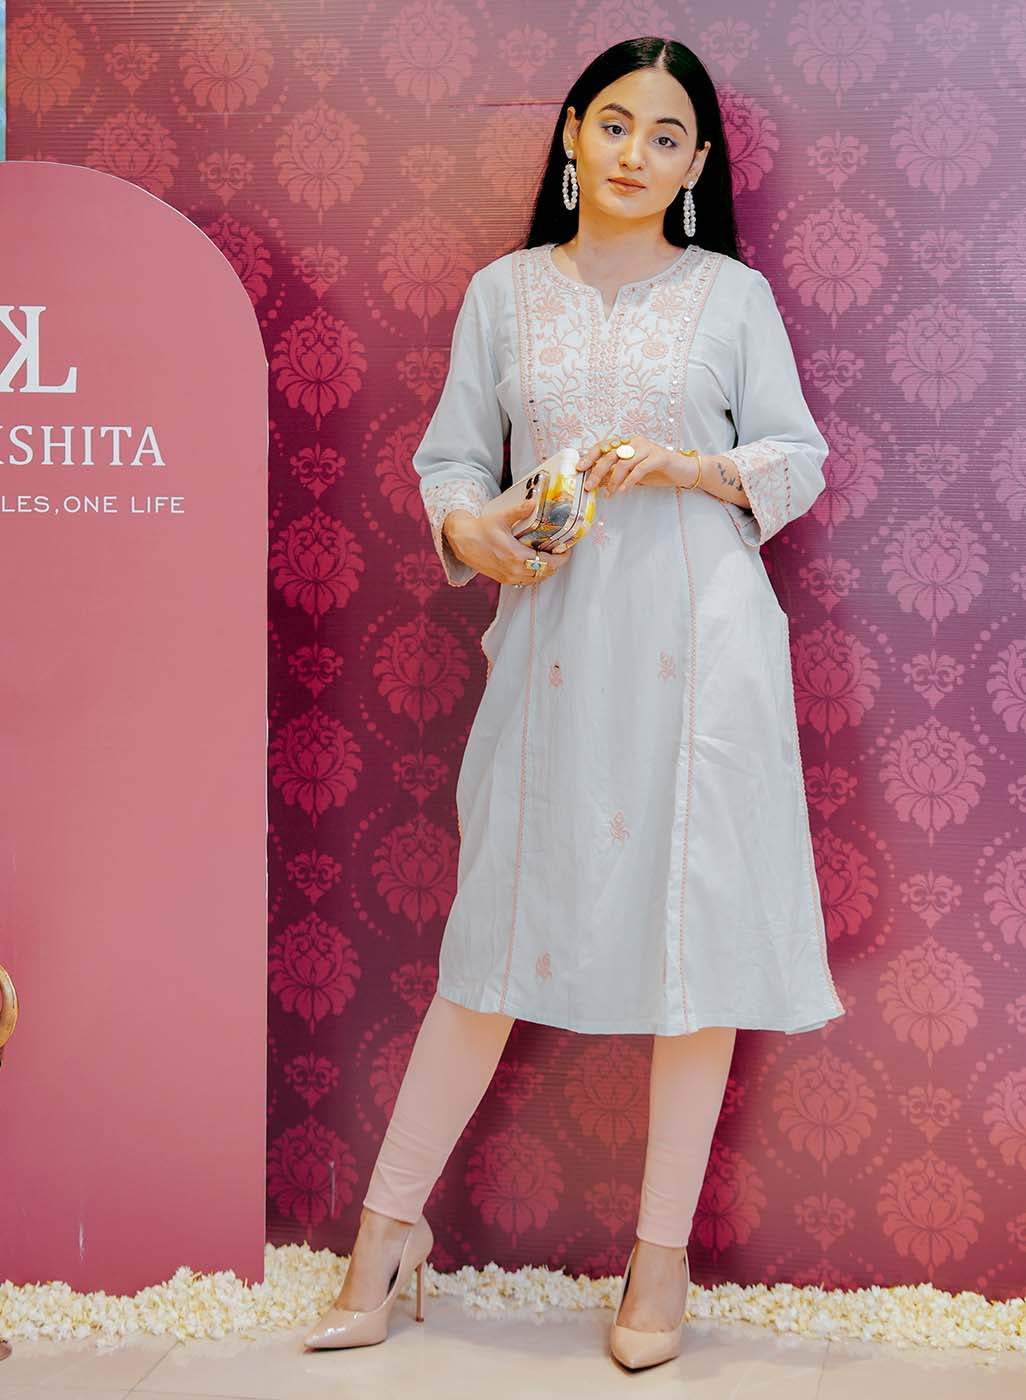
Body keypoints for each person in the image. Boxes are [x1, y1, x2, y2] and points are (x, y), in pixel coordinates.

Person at [303, 35, 846, 1372]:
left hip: (702, 646)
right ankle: (387, 1233)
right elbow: (448, 463)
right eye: (613, 124)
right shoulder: (503, 295)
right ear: (570, 135)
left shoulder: (729, 299)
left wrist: (686, 464)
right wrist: (472, 531)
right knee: (493, 934)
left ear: (696, 164)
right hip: (552, 644)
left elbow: (796, 457)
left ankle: (657, 1262)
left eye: (664, 137)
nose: (633, 154)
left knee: (694, 944)